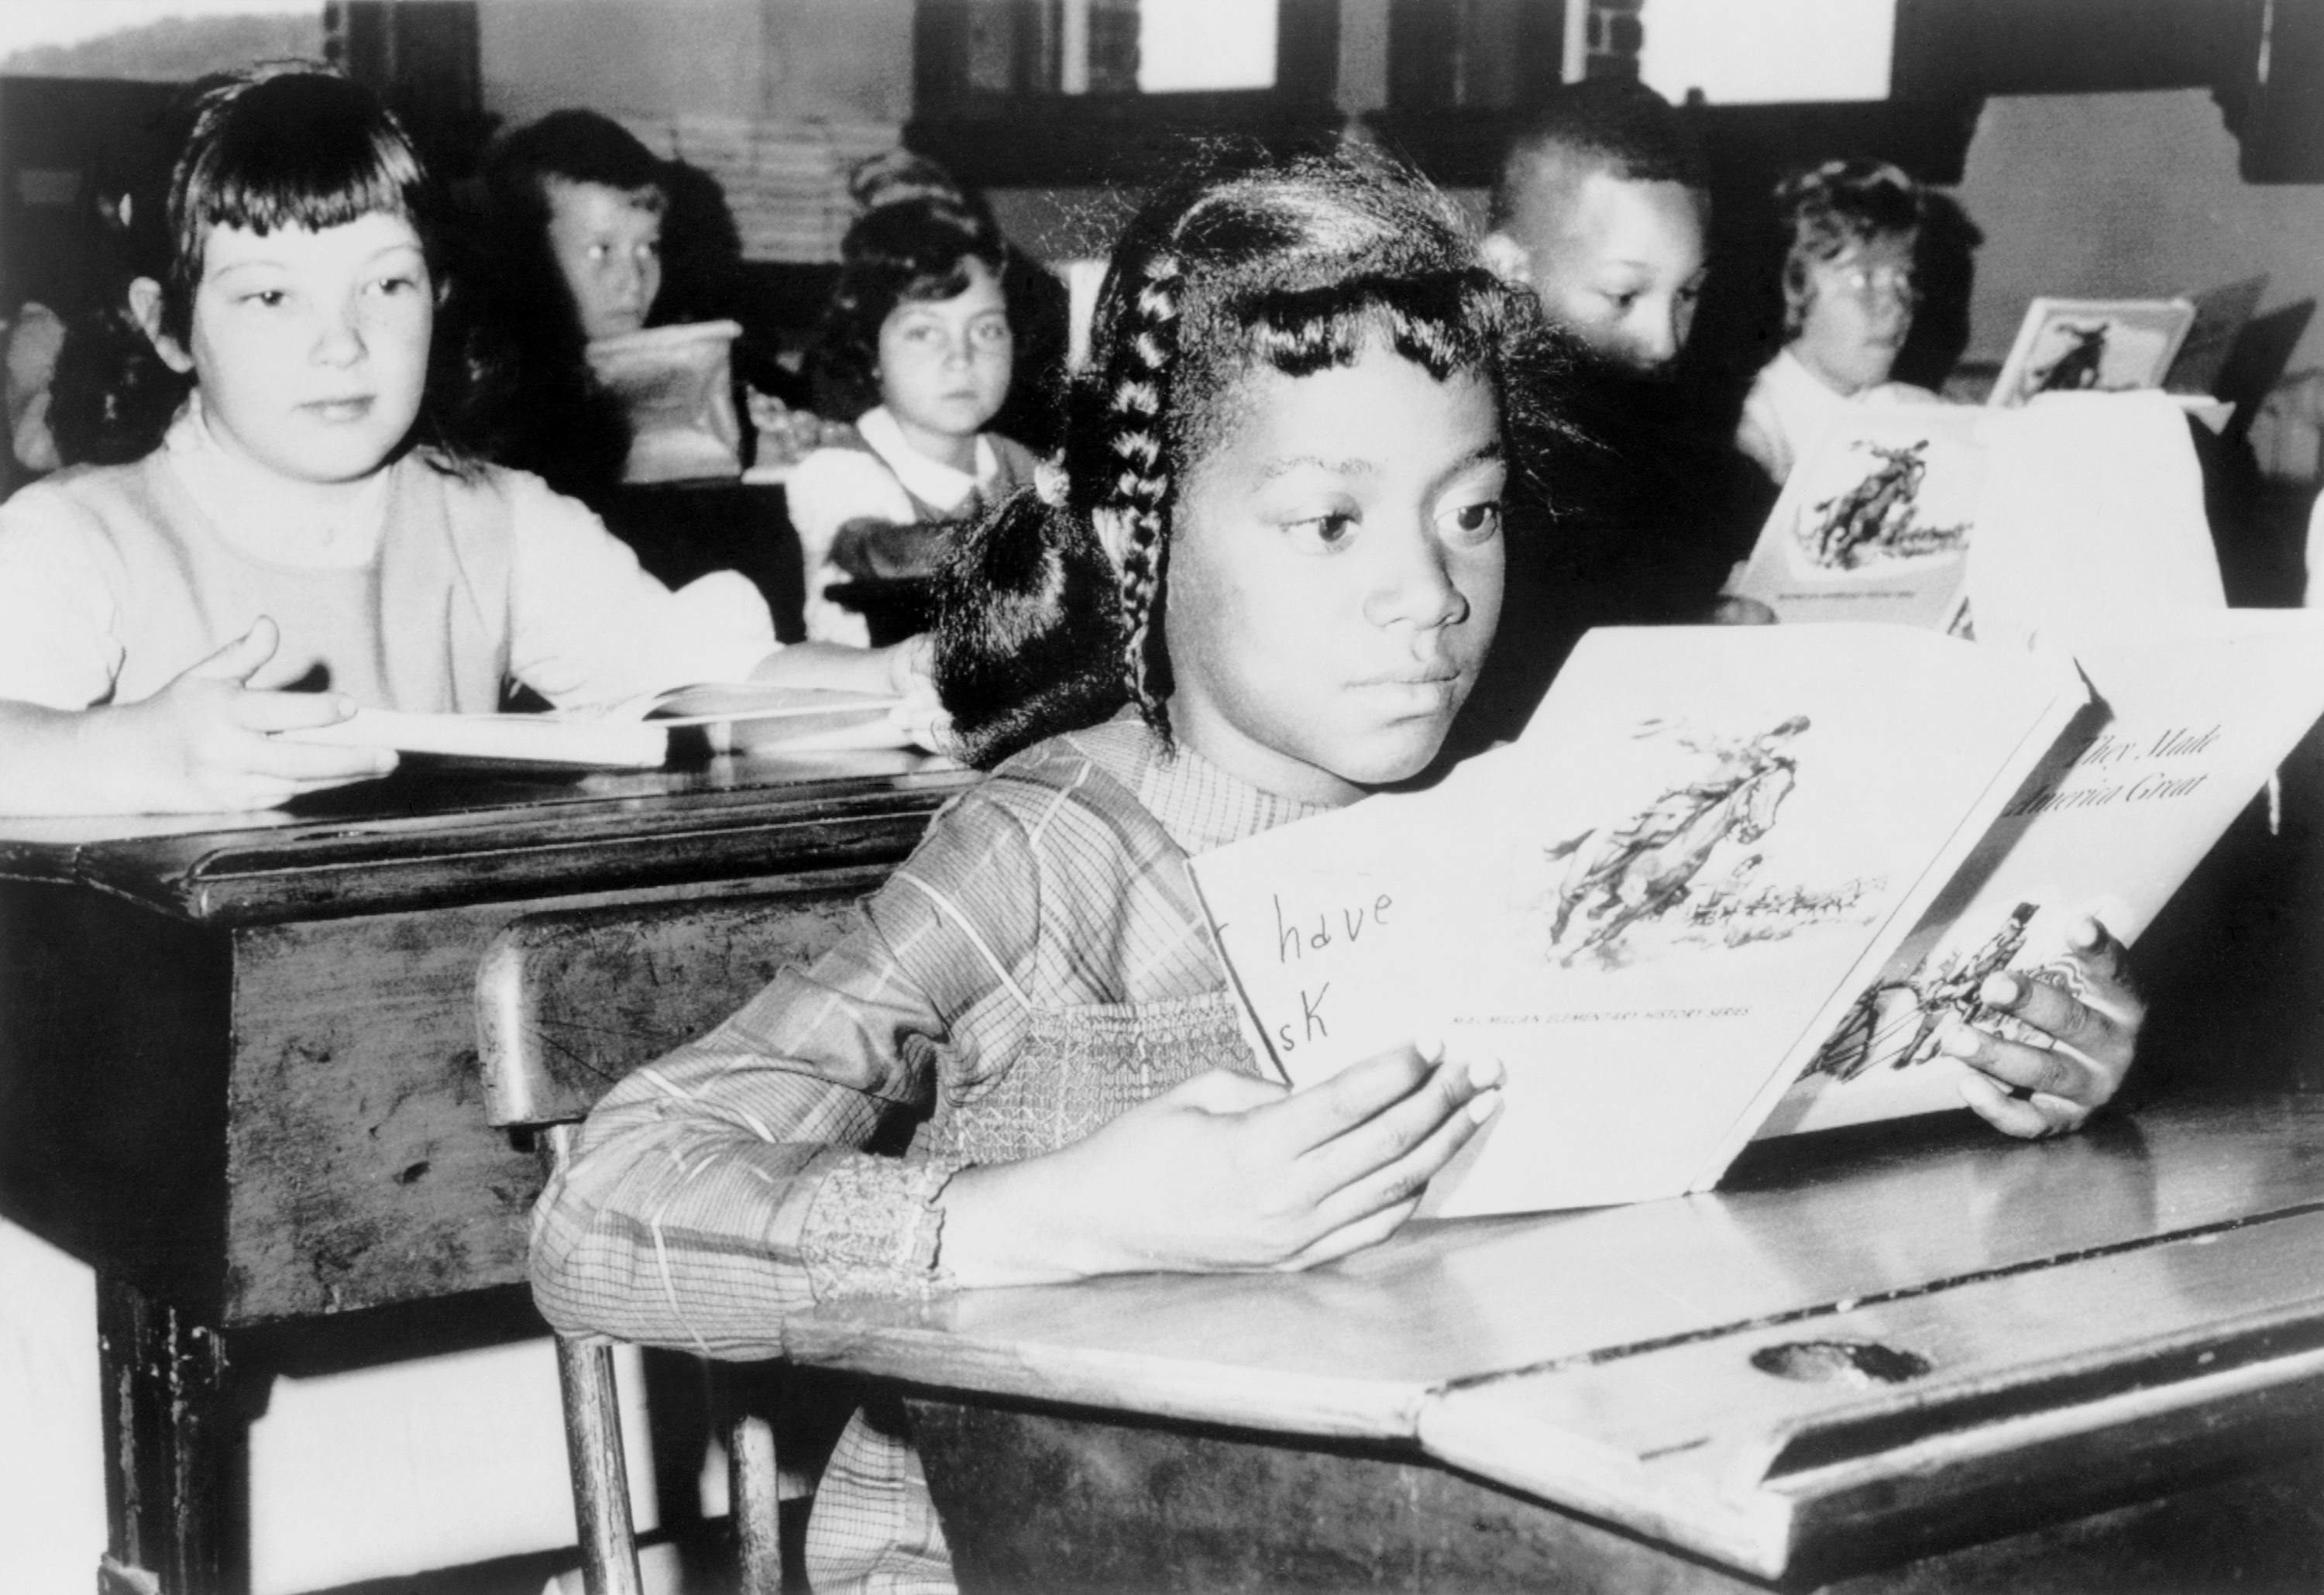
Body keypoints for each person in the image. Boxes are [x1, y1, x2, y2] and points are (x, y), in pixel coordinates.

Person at [529, 150, 2142, 1594]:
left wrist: (1964, 1052)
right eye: (1327, 524)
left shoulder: (1532, 824)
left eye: (1475, 513)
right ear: (1137, 535)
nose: (1427, 597)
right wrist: (1045, 1214)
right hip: (1011, 1550)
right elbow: (605, 1213)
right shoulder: (1045, 853)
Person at [0, 64, 923, 817]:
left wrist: (899, 679)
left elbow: (716, 677)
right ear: (166, 326)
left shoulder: (499, 522)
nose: (343, 342)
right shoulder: (75, 541)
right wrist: (123, 752)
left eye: (387, 286)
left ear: (437, 298)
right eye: (271, 296)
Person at [1460, 77, 1760, 751]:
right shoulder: (1471, 452)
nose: (1666, 340)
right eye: (1624, 295)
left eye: (1688, 294)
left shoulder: (1653, 438)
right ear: (1509, 268)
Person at [787, 191, 1039, 645]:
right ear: (870, 351)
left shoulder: (1021, 464)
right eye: (924, 333)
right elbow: (878, 554)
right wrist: (1043, 541)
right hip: (870, 704)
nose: (961, 358)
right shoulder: (836, 469)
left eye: (986, 330)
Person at [1735, 158, 1942, 486]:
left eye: (1903, 276)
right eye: (1863, 278)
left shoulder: (1919, 413)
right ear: (1793, 286)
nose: (1896, 305)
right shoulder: (1754, 442)